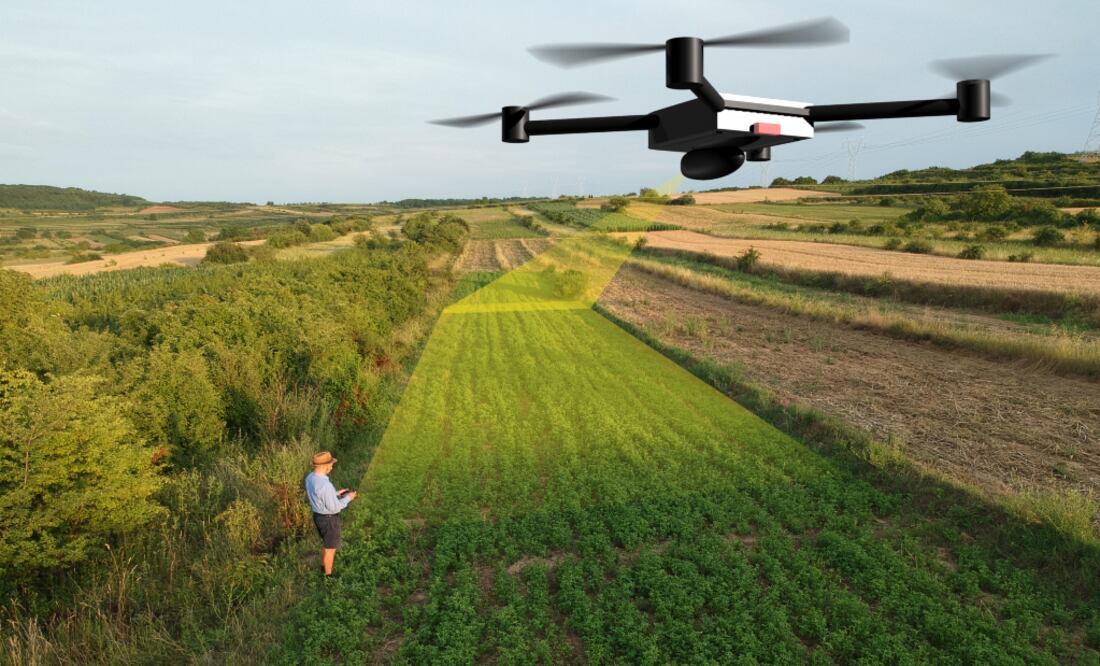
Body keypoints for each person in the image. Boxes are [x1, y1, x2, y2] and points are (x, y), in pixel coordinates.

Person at [304, 451, 357, 576]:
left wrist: (337, 493)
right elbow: (335, 508)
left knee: (327, 543)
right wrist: (349, 497)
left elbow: (320, 496)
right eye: (331, 464)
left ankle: (323, 567)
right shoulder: (325, 485)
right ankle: (328, 578)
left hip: (318, 517)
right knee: (330, 549)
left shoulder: (310, 477)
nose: (332, 467)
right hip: (329, 520)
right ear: (324, 466)